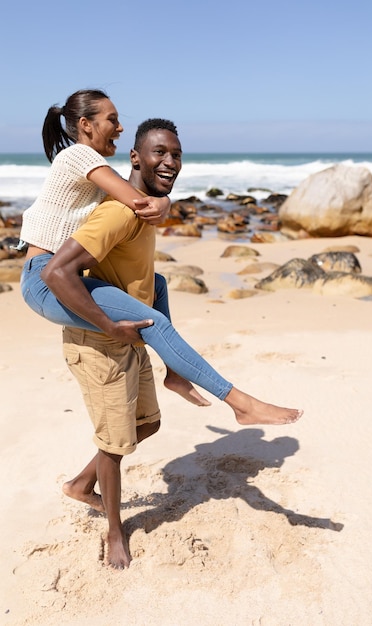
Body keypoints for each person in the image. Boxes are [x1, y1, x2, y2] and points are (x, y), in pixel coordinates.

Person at [40, 119, 303, 569]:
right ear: (135, 158)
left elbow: (151, 276)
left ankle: (80, 486)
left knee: (146, 426)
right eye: (159, 152)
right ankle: (116, 532)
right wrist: (107, 322)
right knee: (115, 445)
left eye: (176, 154)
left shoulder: (144, 208)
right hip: (100, 340)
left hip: (128, 335)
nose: (170, 161)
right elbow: (57, 272)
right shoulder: (119, 211)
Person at [19, 88, 209, 406]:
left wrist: (164, 200)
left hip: (62, 272)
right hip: (45, 275)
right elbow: (139, 202)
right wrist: (163, 202)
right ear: (86, 125)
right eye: (113, 120)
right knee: (153, 324)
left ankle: (175, 371)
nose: (120, 128)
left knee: (156, 284)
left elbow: (135, 196)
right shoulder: (80, 155)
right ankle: (196, 379)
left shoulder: (95, 169)